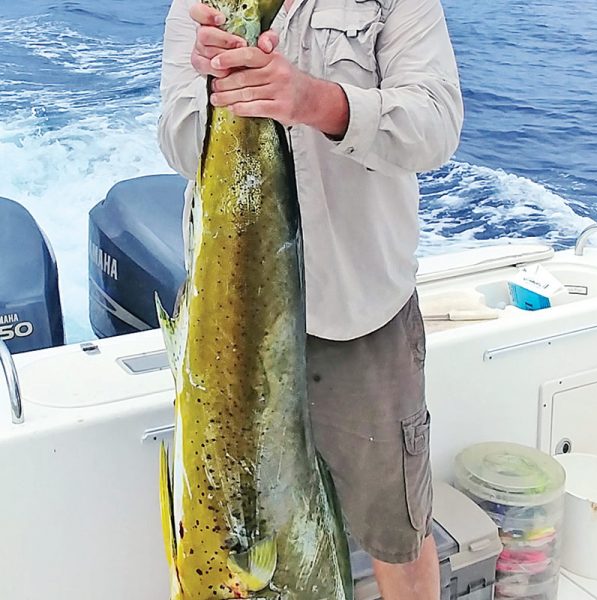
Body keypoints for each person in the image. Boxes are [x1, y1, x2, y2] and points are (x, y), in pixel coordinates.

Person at [158, 0, 463, 596]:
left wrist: (315, 101)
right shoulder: (201, 8)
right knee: (230, 530)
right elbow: (178, 143)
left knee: (395, 532)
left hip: (360, 315)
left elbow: (437, 124)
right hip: (232, 337)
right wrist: (212, 84)